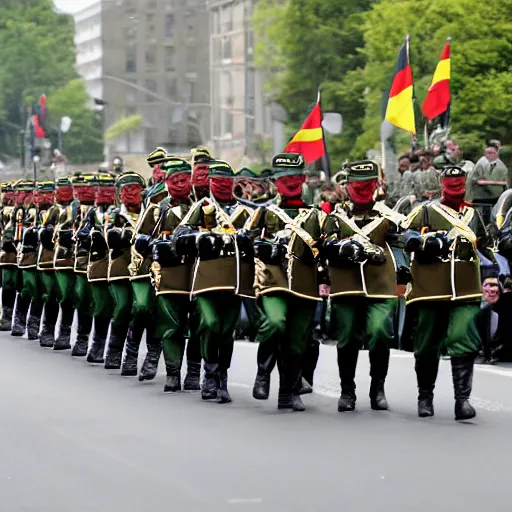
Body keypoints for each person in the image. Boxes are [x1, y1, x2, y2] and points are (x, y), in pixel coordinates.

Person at [323, 160, 403, 412]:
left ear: (376, 185)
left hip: (380, 283)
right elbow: (322, 246)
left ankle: (377, 388)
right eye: (357, 184)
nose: (362, 189)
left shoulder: (388, 214)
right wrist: (339, 249)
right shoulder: (336, 216)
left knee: (380, 332)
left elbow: (405, 239)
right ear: (347, 186)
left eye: (367, 184)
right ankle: (347, 390)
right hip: (346, 285)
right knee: (346, 339)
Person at [404, 165, 481, 421]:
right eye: (450, 180)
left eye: (459, 180)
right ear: (441, 183)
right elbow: (403, 233)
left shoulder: (474, 214)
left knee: (463, 335)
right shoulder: (426, 211)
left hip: (466, 287)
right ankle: (425, 396)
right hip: (430, 288)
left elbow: (488, 245)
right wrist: (421, 240)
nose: (455, 184)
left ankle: (463, 401)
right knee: (427, 343)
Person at [249, 153, 322, 411]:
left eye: (295, 177)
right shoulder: (264, 211)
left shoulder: (316, 214)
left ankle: (288, 392)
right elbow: (245, 240)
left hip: (305, 280)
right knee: (275, 322)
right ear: (275, 182)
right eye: (284, 178)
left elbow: (327, 244)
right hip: (272, 278)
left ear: (303, 179)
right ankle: (263, 371)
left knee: (296, 339)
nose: (290, 182)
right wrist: (262, 246)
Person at [103, 171, 147, 369]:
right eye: (125, 190)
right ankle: (114, 350)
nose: (129, 193)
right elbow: (108, 238)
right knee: (122, 308)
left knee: (140, 310)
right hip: (120, 267)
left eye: (134, 189)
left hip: (143, 269)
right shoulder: (114, 214)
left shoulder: (150, 212)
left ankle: (131, 353)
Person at [467, 142, 508, 217]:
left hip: (495, 199)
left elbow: (505, 182)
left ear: (497, 154)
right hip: (480, 198)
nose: (488, 155)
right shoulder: (481, 163)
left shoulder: (502, 167)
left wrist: (487, 182)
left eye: (491, 153)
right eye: (487, 153)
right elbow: (476, 180)